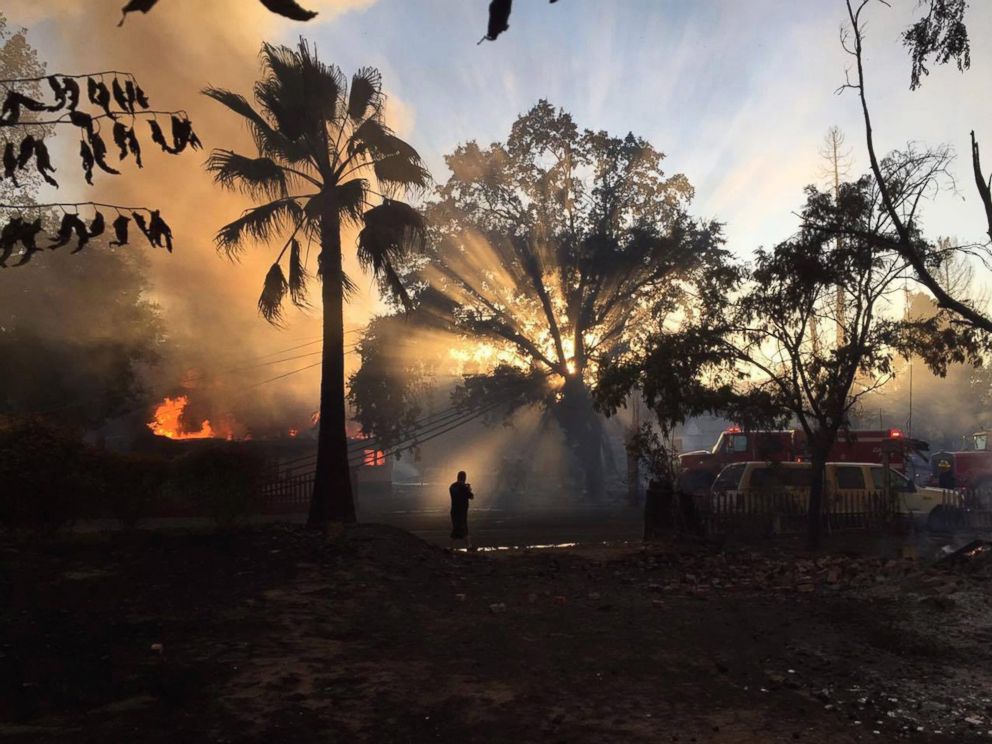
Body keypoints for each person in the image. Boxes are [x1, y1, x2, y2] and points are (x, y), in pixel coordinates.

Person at [449, 470, 474, 550]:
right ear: (464, 478)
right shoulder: (463, 487)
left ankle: (466, 546)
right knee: (463, 528)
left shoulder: (452, 486)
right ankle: (468, 546)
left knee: (457, 528)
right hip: (462, 511)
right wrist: (469, 489)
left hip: (454, 510)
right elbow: (471, 496)